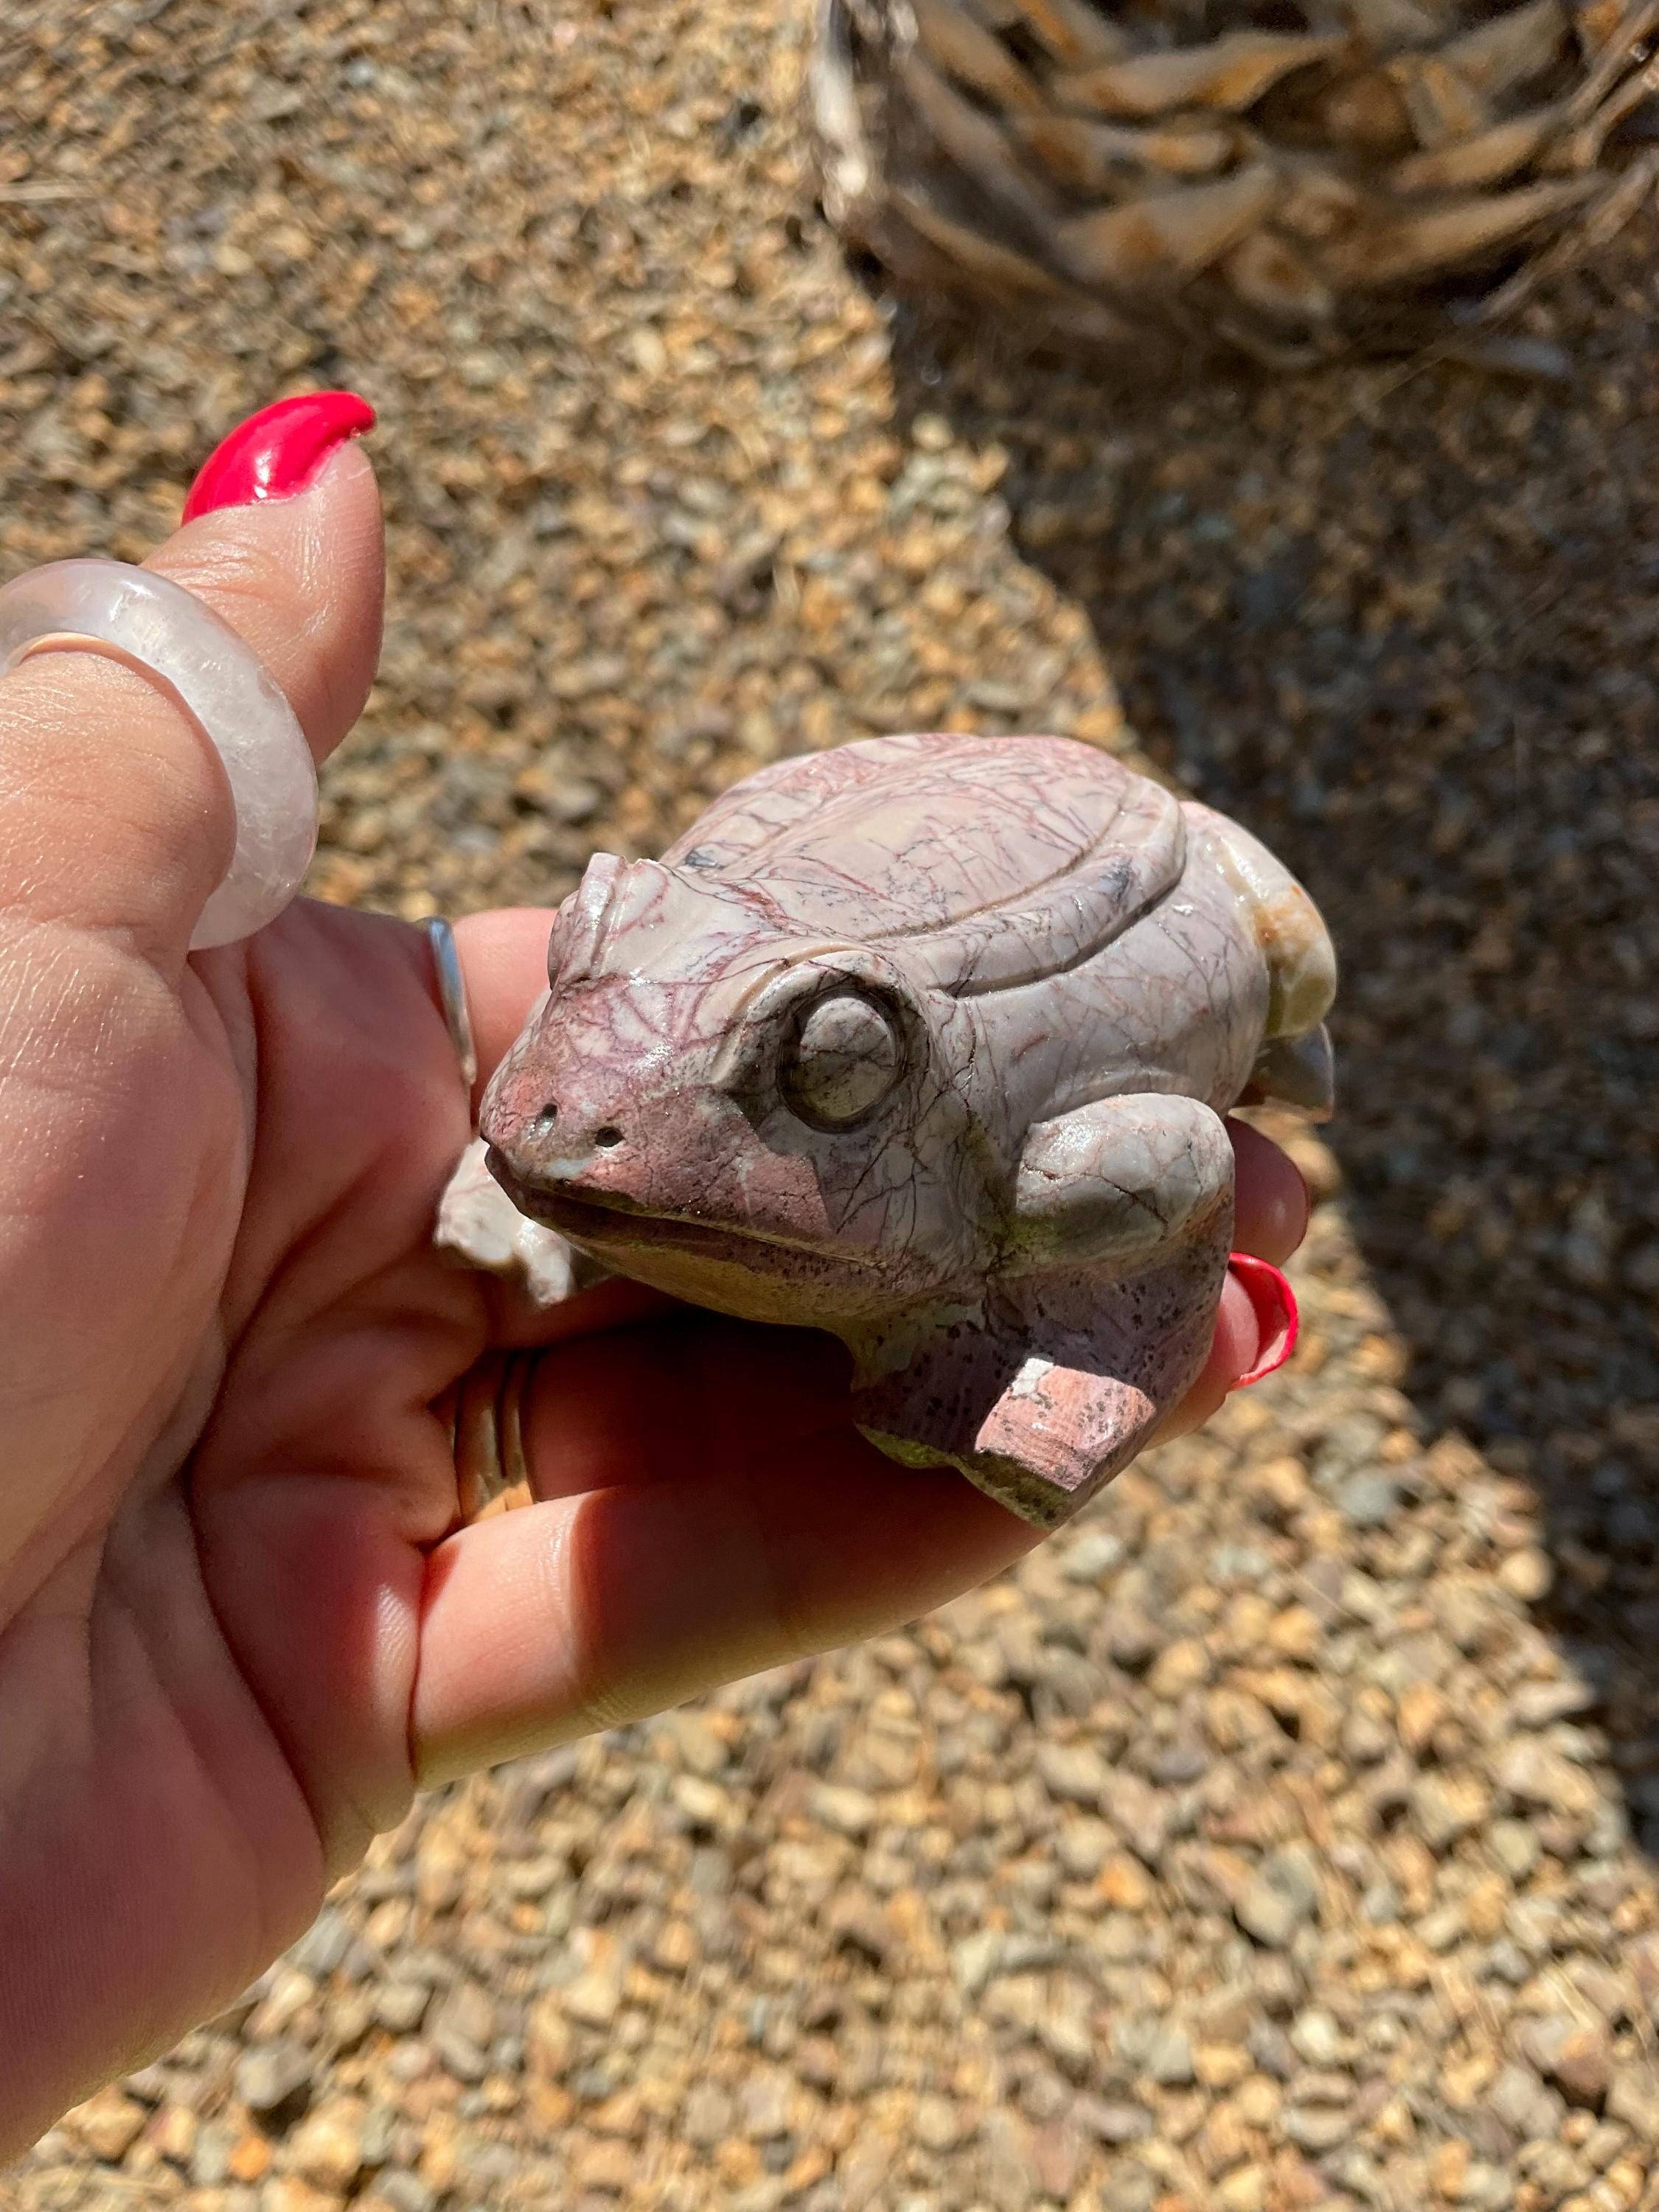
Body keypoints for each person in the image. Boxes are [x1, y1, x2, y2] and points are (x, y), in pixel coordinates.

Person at [0, 396, 1309, 2152]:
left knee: (1253, 981)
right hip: (792, 888)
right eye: (579, 957)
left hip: (1123, 882)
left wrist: (1081, 1353)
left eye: (827, 1079)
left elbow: (1166, 1161)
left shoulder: (1025, 1148)